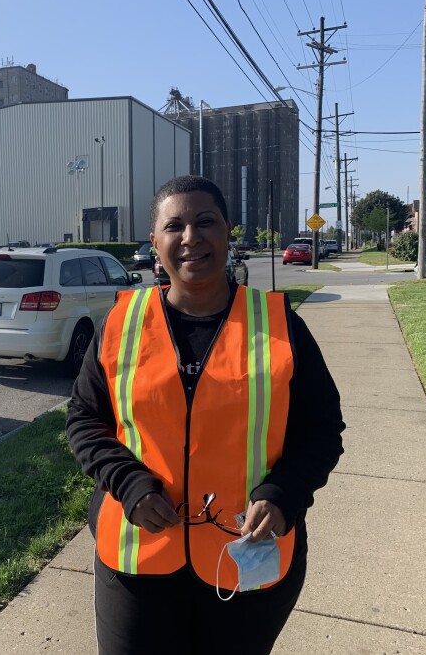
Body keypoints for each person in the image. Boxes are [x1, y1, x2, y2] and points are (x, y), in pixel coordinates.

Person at [66, 175, 344, 655]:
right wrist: (128, 483)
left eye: (206, 222)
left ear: (228, 232)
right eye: (174, 226)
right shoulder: (122, 322)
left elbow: (321, 430)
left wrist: (284, 494)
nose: (190, 237)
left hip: (246, 558)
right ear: (155, 242)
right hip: (137, 557)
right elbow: (84, 418)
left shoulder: (280, 325)